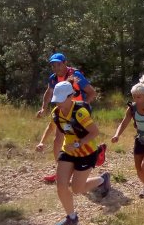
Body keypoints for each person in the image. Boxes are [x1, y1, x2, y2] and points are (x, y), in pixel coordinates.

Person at [37, 81, 110, 225]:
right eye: (57, 99)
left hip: (86, 153)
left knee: (77, 189)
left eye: (61, 99)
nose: (58, 102)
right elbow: (51, 127)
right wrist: (42, 142)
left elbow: (94, 132)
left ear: (71, 96)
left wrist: (78, 143)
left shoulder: (80, 112)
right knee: (61, 185)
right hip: (68, 151)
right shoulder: (56, 112)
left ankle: (102, 180)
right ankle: (71, 217)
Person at [37, 53, 98, 184]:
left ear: (65, 63)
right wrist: (44, 108)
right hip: (63, 113)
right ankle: (61, 171)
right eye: (53, 65)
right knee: (57, 139)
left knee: (78, 140)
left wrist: (84, 106)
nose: (56, 67)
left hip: (77, 114)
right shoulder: (53, 78)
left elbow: (92, 92)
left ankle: (91, 160)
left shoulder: (76, 75)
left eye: (58, 64)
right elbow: (49, 92)